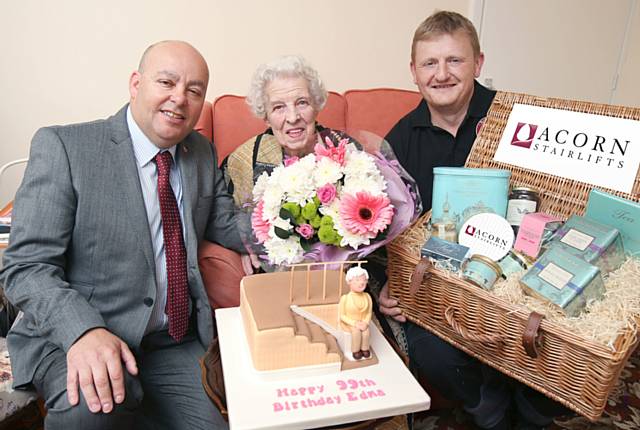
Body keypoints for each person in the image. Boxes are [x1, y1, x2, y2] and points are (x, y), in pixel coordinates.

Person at [0, 40, 242, 429]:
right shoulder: (65, 147)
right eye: (166, 82)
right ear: (135, 84)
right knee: (91, 414)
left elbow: (225, 222)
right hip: (79, 333)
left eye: (194, 90)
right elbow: (26, 267)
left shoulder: (200, 152)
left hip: (170, 342)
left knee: (221, 425)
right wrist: (84, 331)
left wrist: (300, 232)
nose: (179, 99)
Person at [378, 11, 566, 430]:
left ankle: (532, 416)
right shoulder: (400, 139)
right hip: (442, 289)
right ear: (414, 71)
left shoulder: (518, 122)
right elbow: (389, 231)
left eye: (455, 61)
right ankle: (490, 411)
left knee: (559, 351)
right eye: (430, 63)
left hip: (517, 282)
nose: (441, 74)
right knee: (432, 352)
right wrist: (389, 281)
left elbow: (557, 203)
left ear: (478, 63)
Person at [339, 267, 373, 360]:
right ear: (349, 282)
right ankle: (356, 350)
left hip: (363, 322)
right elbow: (342, 316)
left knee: (366, 332)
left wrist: (365, 322)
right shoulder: (345, 298)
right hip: (350, 323)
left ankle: (365, 349)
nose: (361, 283)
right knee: (356, 332)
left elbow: (369, 312)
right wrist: (354, 323)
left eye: (364, 280)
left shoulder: (367, 297)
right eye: (357, 280)